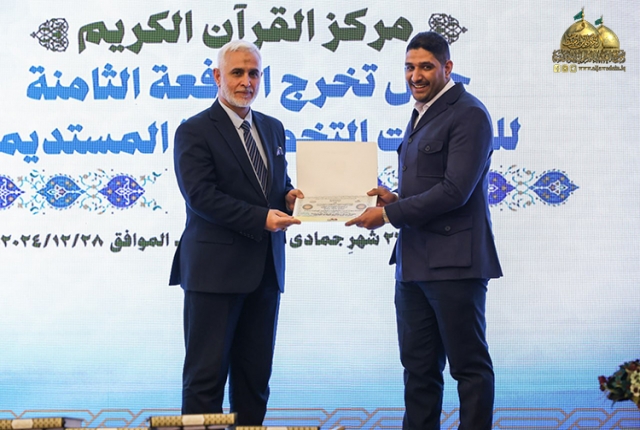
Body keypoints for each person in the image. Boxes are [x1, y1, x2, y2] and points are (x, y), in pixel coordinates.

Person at [346, 31, 502, 429]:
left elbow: (454, 191)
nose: (415, 76)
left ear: (447, 67)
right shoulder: (422, 112)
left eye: (426, 67)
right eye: (409, 67)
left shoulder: (469, 113)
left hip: (455, 265)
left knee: (468, 369)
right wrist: (395, 199)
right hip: (413, 264)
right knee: (418, 371)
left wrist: (388, 215)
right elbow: (432, 187)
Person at [169, 39, 303, 425]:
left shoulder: (273, 128)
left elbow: (272, 188)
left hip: (265, 272)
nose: (247, 81)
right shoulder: (194, 130)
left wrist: (289, 197)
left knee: (254, 381)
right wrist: (262, 218)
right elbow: (201, 197)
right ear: (217, 76)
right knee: (205, 381)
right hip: (214, 274)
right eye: (237, 73)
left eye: (254, 73)